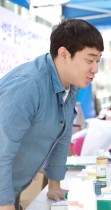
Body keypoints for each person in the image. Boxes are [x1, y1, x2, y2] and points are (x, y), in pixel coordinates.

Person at [0, 19, 104, 210]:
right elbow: (1, 151)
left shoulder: (70, 85)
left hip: (10, 190)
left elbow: (62, 135)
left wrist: (54, 184)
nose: (95, 69)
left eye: (98, 61)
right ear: (64, 54)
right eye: (89, 60)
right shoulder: (27, 86)